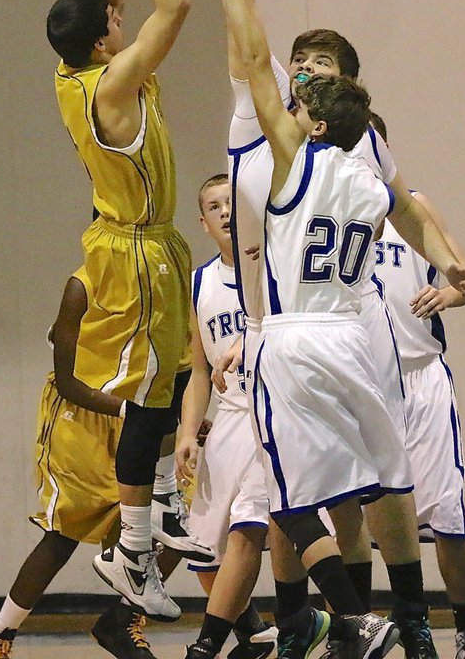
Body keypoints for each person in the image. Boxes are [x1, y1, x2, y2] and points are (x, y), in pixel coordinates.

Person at [178, 0, 465, 659]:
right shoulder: (363, 166)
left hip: (292, 329)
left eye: (310, 75)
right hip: (351, 329)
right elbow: (407, 208)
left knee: (286, 495)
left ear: (313, 112)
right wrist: (451, 263)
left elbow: (246, 32)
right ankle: (362, 621)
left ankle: (352, 616)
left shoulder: (288, 147)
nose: (297, 75)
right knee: (377, 481)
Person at [46, 0, 213, 621]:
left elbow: (109, 7)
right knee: (148, 398)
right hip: (134, 250)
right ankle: (132, 551)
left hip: (151, 244)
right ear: (104, 43)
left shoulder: (72, 70)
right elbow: (174, 6)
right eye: (116, 19)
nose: (125, 17)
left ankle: (167, 510)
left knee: (174, 374)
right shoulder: (114, 84)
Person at [0, 267, 183, 659]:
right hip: (83, 416)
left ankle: (123, 620)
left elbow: (172, 371)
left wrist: (182, 417)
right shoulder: (80, 286)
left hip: (138, 417)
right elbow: (68, 382)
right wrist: (133, 413)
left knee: (172, 530)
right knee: (64, 534)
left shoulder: (163, 281)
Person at [370, 115, 465, 659]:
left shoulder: (413, 205)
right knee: (352, 512)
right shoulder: (320, 205)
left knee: (448, 513)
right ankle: (376, 624)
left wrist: (451, 293)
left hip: (420, 376)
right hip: (361, 381)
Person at [175, 174, 284, 659]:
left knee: (249, 526)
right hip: (231, 416)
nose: (224, 212)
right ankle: (254, 635)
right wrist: (187, 432)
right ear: (203, 222)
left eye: (230, 204)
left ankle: (207, 645)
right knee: (202, 549)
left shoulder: (273, 266)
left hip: (276, 409)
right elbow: (199, 370)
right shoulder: (199, 282)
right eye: (213, 207)